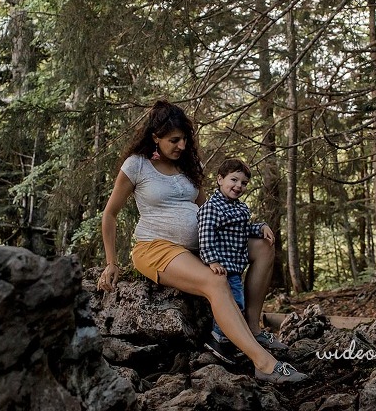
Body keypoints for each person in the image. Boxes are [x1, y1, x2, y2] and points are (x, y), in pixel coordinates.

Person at [98, 99, 307, 384]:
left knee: (264, 246)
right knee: (215, 281)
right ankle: (264, 363)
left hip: (202, 245)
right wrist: (111, 263)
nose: (182, 145)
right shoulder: (136, 166)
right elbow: (109, 214)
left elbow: (211, 208)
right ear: (155, 137)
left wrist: (255, 227)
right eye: (174, 140)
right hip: (155, 247)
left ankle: (252, 328)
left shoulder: (187, 166)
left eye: (185, 139)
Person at [198, 157, 288, 364]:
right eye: (234, 180)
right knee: (233, 305)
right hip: (222, 268)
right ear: (220, 179)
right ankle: (220, 340)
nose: (238, 186)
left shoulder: (239, 208)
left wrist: (261, 227)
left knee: (238, 303)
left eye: (244, 183)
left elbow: (245, 230)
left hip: (235, 268)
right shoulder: (213, 208)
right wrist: (212, 261)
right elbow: (205, 236)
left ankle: (235, 337)